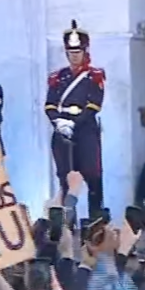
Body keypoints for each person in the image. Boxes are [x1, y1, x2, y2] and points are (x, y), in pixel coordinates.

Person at [45, 20, 105, 216]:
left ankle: (95, 220)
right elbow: (50, 104)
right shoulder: (58, 77)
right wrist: (58, 122)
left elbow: (94, 105)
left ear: (85, 51)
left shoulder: (94, 76)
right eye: (71, 52)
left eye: (78, 52)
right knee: (65, 178)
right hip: (62, 131)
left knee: (92, 176)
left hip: (85, 131)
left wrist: (74, 122)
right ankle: (66, 222)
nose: (74, 56)